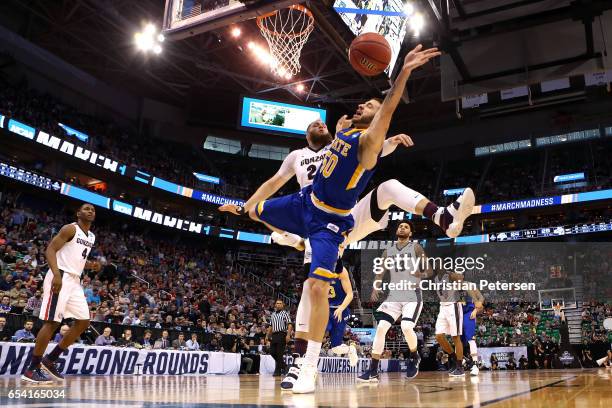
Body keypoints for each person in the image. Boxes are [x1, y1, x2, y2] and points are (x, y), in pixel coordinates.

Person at [22, 203, 96, 384]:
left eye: (93, 210)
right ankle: (32, 369)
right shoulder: (70, 228)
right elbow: (51, 249)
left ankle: (51, 359)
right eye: (86, 209)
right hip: (60, 275)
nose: (90, 211)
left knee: (84, 321)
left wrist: (90, 265)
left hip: (75, 280)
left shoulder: (91, 236)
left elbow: (75, 258)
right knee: (52, 322)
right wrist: (56, 274)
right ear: (78, 213)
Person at [357, 222, 429, 383]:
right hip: (395, 294)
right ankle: (373, 370)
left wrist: (420, 273)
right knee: (381, 328)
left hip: (412, 294)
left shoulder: (416, 247)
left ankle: (414, 355)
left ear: (410, 233)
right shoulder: (387, 250)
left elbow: (429, 270)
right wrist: (376, 287)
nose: (402, 228)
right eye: (400, 226)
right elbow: (380, 272)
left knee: (406, 326)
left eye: (406, 227)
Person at [282, 260, 356, 390]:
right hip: (325, 309)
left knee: (336, 348)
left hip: (340, 310)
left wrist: (341, 308)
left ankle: (350, 349)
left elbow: (350, 294)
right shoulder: (319, 269)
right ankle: (308, 368)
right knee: (316, 335)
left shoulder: (341, 271)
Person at [461, 289, 485, 376]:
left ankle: (475, 365)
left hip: (468, 312)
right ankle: (460, 363)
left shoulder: (470, 285)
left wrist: (475, 310)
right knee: (458, 339)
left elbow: (481, 298)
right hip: (457, 313)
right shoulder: (452, 286)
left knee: (470, 338)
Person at [267, 299, 293, 376]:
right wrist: (267, 335)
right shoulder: (273, 314)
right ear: (275, 305)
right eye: (277, 303)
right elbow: (270, 326)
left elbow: (290, 324)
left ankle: (277, 371)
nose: (278, 304)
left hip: (282, 334)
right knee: (272, 352)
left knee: (279, 353)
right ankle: (284, 366)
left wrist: (288, 335)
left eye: (280, 303)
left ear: (282, 305)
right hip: (274, 335)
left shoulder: (285, 313)